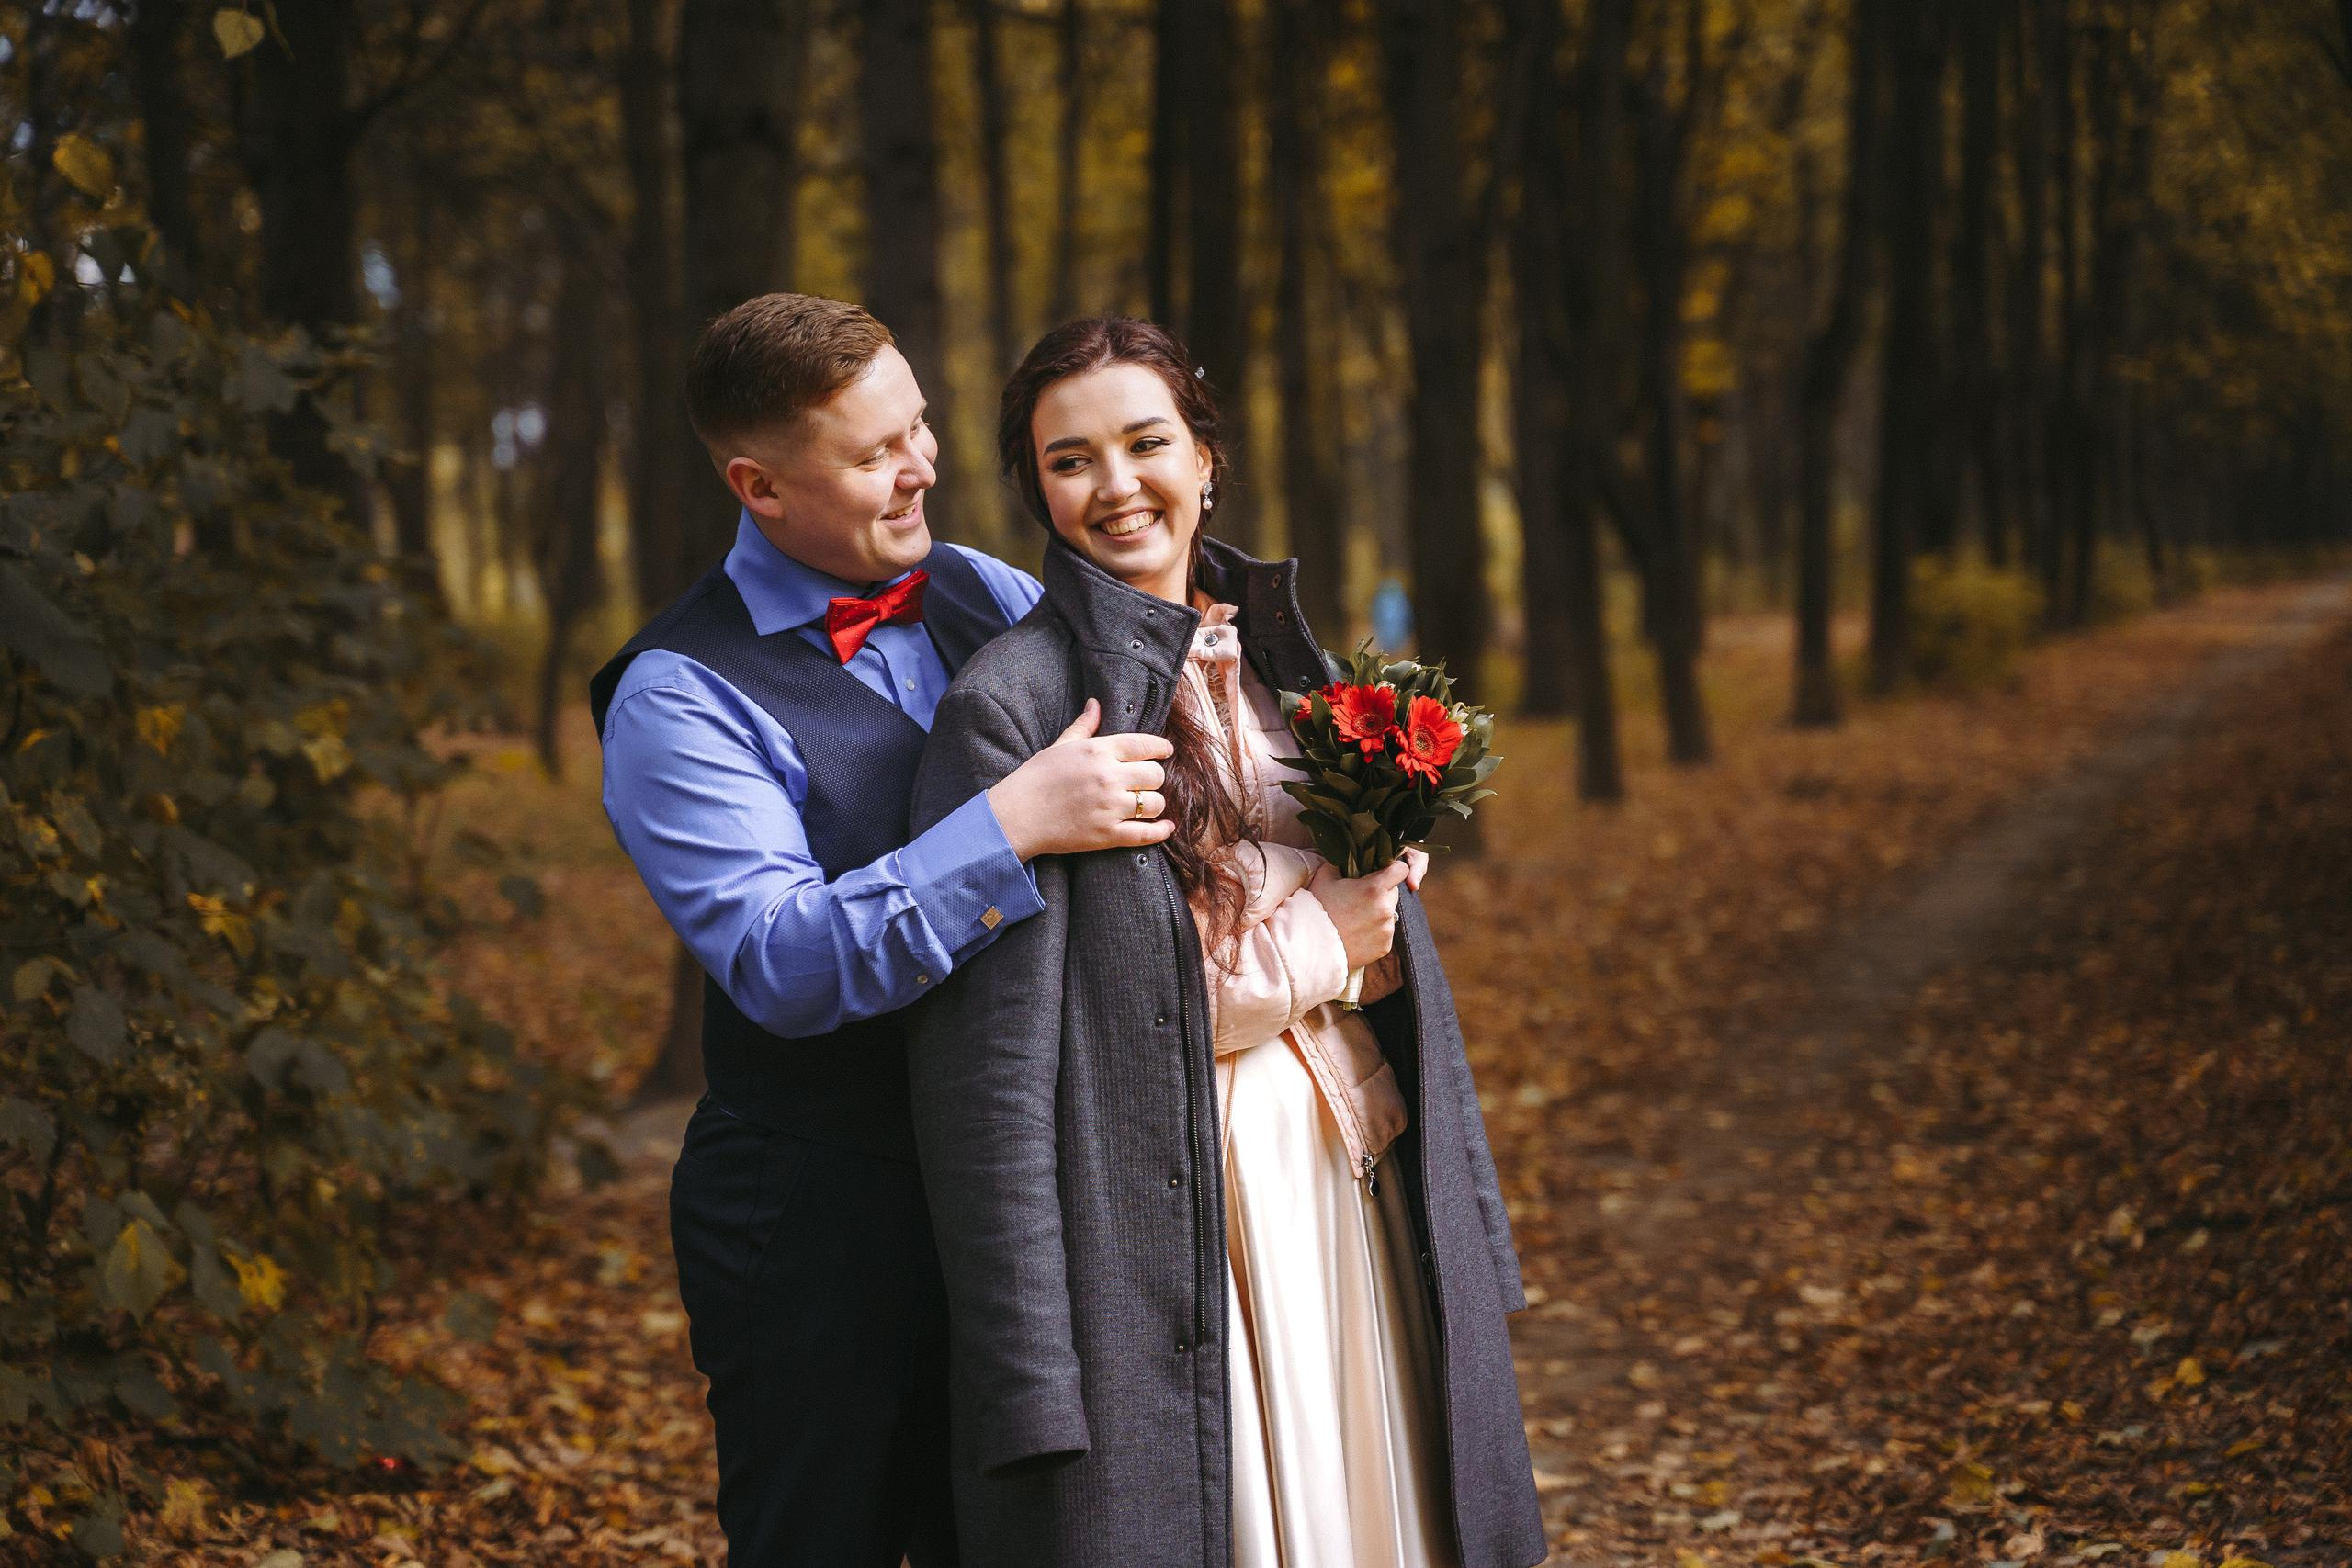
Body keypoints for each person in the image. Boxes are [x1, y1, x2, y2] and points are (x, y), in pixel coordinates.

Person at [908, 317, 1546, 1568]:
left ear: (1206, 457)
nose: (1116, 485)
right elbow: (1044, 1058)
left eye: (1147, 443)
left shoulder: (1284, 664)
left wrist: (1379, 925)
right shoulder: (1014, 709)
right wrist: (1324, 934)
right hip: (1188, 1217)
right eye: (1070, 460)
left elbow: (1373, 945)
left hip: (1345, 1173)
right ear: (1037, 489)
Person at [589, 294, 1181, 1568]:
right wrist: (1009, 825)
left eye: (918, 427)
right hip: (818, 1216)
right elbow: (784, 963)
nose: (921, 467)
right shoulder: (674, 694)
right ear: (758, 486)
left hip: (1015, 1192)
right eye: (873, 454)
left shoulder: (984, 589)